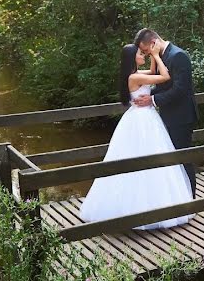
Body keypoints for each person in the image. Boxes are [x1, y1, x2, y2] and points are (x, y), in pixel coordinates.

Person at [79, 41, 193, 229]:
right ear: (134, 58)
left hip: (144, 118)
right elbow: (164, 77)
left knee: (152, 160)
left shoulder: (135, 75)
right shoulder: (135, 77)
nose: (144, 55)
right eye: (141, 53)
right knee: (142, 158)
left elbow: (154, 73)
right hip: (142, 120)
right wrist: (156, 55)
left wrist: (153, 60)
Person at [132, 28, 199, 196]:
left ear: (153, 43)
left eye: (146, 50)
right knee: (170, 161)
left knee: (182, 159)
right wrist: (146, 94)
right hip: (167, 116)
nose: (147, 54)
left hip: (181, 117)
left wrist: (152, 100)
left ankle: (190, 199)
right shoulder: (160, 57)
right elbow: (162, 85)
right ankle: (177, 199)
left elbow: (180, 89)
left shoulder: (178, 56)